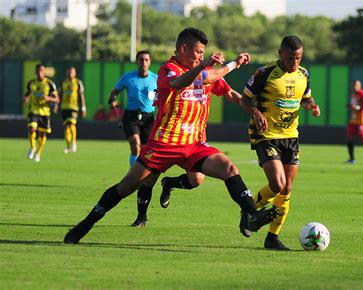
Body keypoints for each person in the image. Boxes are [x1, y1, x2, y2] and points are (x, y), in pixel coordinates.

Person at [63, 27, 277, 244]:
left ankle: (251, 215)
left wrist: (254, 111)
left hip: (194, 144)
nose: (202, 57)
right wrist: (224, 65)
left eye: (203, 53)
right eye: (198, 52)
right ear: (183, 49)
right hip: (164, 144)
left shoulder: (206, 71)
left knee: (228, 169)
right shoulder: (169, 69)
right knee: (126, 187)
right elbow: (179, 83)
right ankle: (85, 225)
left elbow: (230, 93)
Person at [239, 35, 321, 250]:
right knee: (277, 184)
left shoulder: (304, 74)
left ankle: (272, 237)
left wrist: (312, 106)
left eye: (299, 58)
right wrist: (255, 111)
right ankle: (249, 211)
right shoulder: (265, 73)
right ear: (280, 53)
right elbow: (244, 99)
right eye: (291, 58)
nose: (295, 63)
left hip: (291, 136)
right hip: (266, 135)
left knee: (287, 188)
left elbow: (307, 98)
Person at [158, 78, 244, 209]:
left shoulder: (211, 75)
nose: (199, 57)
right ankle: (141, 217)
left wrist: (251, 107)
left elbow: (229, 92)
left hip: (196, 140)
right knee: (147, 175)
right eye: (198, 55)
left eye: (201, 55)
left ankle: (169, 183)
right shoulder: (176, 73)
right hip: (172, 138)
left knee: (196, 179)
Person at [107, 50, 158, 227]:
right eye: (141, 59)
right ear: (136, 61)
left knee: (145, 150)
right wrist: (112, 100)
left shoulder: (156, 78)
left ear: (150, 62)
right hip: (130, 116)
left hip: (149, 117)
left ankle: (138, 171)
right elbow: (115, 91)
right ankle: (134, 175)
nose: (143, 62)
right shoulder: (128, 77)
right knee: (135, 146)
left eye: (146, 60)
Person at [23, 64, 59, 162]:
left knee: (42, 134)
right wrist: (25, 98)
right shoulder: (31, 83)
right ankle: (32, 147)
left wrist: (49, 98)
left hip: (45, 112)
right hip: (33, 109)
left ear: (44, 72)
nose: (39, 73)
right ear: (35, 72)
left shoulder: (49, 84)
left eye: (41, 70)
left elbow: (57, 99)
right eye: (38, 71)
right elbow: (26, 94)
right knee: (32, 128)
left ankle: (38, 153)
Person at [56, 66, 86, 153]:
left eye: (71, 72)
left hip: (74, 107)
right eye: (68, 72)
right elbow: (60, 95)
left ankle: (73, 143)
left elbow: (81, 96)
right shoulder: (63, 83)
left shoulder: (78, 82)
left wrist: (83, 107)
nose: (70, 74)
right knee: (66, 127)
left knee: (72, 124)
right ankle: (68, 145)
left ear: (75, 73)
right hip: (64, 107)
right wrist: (57, 105)